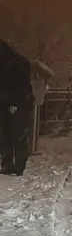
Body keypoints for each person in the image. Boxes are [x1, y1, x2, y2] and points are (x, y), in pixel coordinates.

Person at [0, 40, 35, 176]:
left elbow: (21, 86)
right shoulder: (16, 62)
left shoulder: (16, 64)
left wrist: (15, 103)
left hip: (18, 103)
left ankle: (17, 166)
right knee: (8, 135)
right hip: (7, 102)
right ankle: (10, 165)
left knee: (16, 134)